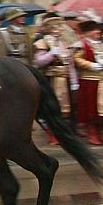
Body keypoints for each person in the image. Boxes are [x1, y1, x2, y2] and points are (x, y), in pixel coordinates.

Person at [74, 20, 103, 145]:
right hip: (90, 81)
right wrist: (91, 65)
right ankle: (92, 133)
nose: (98, 32)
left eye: (98, 29)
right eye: (94, 30)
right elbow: (77, 59)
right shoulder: (82, 45)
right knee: (91, 109)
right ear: (87, 32)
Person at [33, 15, 74, 144]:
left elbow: (70, 64)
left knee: (66, 108)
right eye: (59, 27)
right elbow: (39, 61)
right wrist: (51, 54)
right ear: (51, 28)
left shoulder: (64, 43)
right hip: (51, 79)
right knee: (51, 107)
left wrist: (74, 81)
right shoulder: (43, 42)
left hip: (65, 78)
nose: (61, 29)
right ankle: (52, 134)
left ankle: (64, 133)